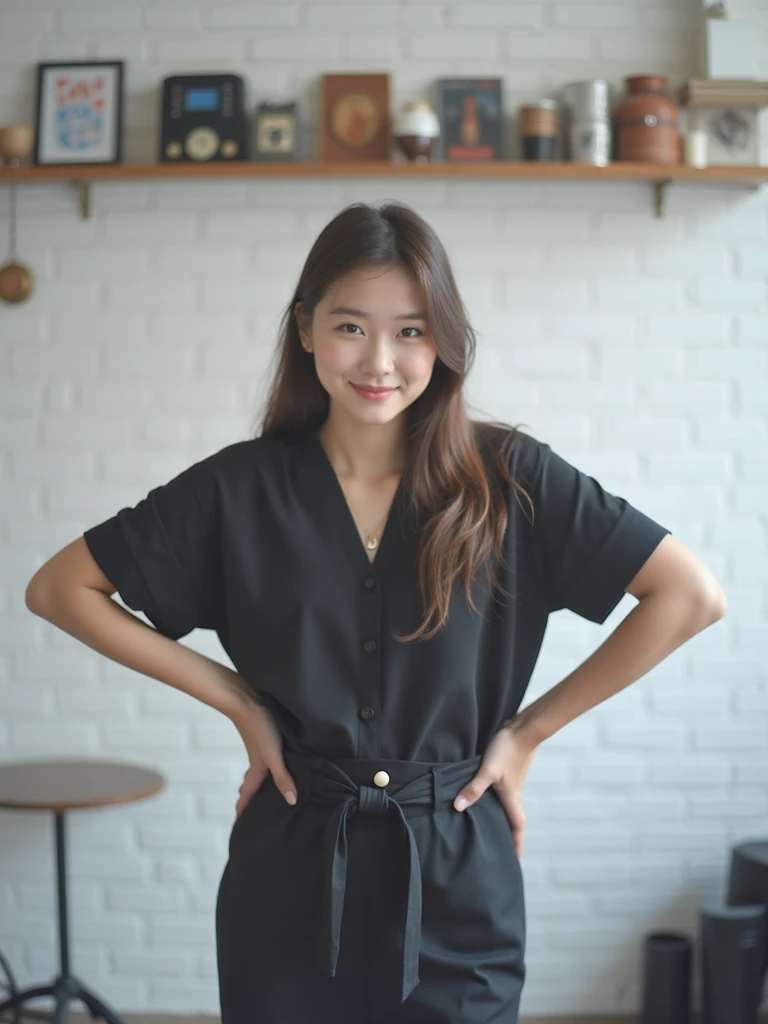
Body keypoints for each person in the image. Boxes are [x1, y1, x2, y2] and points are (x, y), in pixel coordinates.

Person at [25, 201, 727, 1024]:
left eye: (413, 330)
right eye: (351, 327)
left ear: (446, 341)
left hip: (457, 870)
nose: (381, 361)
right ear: (305, 329)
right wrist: (239, 700)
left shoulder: (511, 479)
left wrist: (529, 732)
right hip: (290, 865)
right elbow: (59, 589)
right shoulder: (237, 488)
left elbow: (689, 596)